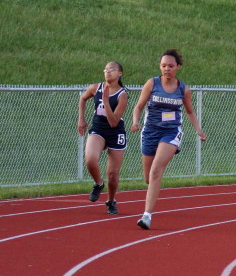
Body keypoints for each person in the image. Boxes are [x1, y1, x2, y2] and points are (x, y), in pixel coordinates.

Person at [131, 49, 206, 229]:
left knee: (156, 170)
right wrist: (135, 121)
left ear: (178, 67)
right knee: (149, 178)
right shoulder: (152, 84)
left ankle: (147, 216)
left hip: (171, 132)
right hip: (150, 132)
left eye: (171, 66)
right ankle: (154, 190)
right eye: (164, 66)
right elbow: (139, 106)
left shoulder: (183, 89)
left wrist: (198, 129)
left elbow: (189, 111)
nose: (167, 69)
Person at [77, 62, 128, 214]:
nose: (108, 72)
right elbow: (83, 99)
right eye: (106, 69)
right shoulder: (95, 88)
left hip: (115, 132)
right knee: (90, 159)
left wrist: (105, 101)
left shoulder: (122, 95)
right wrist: (81, 119)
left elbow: (113, 122)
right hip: (98, 129)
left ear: (119, 74)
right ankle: (99, 184)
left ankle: (111, 201)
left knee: (112, 174)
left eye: (112, 69)